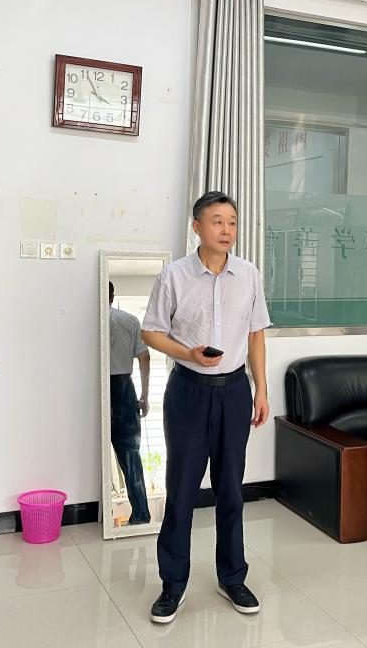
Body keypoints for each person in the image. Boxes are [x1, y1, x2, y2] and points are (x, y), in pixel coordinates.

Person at [141, 190, 271, 624]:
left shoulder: (248, 274)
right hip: (188, 391)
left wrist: (261, 389)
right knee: (181, 490)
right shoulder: (175, 276)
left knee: (231, 489)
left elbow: (256, 334)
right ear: (197, 227)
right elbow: (150, 333)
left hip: (234, 391)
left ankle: (232, 578)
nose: (226, 230)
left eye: (232, 222)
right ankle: (172, 585)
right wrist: (188, 353)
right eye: (217, 221)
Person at [109, 281, 152, 525]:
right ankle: (141, 514)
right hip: (125, 388)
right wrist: (145, 394)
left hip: (97, 387)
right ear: (112, 297)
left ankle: (101, 514)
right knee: (131, 457)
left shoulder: (89, 322)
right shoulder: (130, 320)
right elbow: (144, 358)